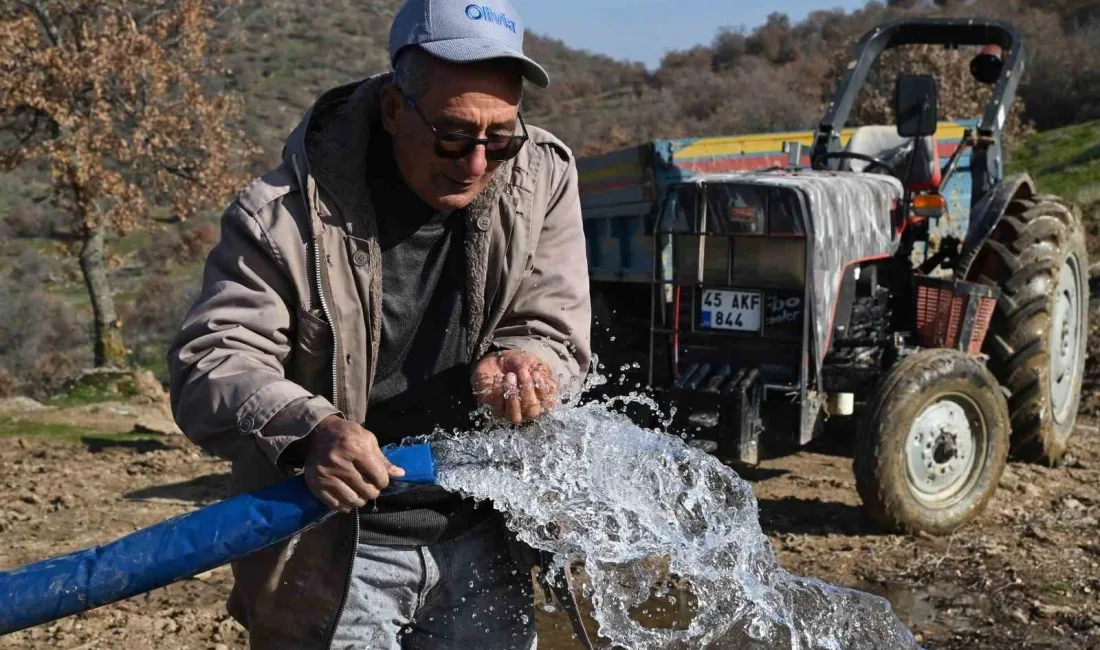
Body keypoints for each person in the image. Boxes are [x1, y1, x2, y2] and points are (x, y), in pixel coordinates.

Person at [166, 0, 592, 647]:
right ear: (396, 110)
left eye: (499, 137)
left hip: (485, 534)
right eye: (454, 133)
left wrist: (526, 360)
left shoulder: (542, 178)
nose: (477, 162)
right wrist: (313, 431)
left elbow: (554, 324)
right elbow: (215, 359)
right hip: (330, 545)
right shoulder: (279, 216)